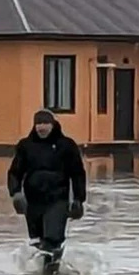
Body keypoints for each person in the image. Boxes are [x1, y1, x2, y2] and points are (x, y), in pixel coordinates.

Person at [7, 109, 87, 261]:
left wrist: (78, 199)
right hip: (33, 201)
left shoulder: (67, 145)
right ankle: (46, 271)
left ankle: (51, 273)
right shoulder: (26, 146)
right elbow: (15, 172)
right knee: (37, 241)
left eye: (45, 123)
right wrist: (15, 193)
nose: (41, 127)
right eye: (38, 124)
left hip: (58, 199)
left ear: (53, 125)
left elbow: (77, 173)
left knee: (52, 237)